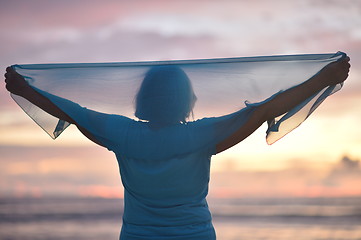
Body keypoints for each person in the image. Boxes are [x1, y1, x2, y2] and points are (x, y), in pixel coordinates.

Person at [4, 56, 350, 240]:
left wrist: (26, 90)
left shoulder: (121, 133)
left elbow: (71, 112)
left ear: (143, 98)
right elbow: (262, 110)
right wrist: (321, 79)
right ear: (187, 100)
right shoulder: (203, 134)